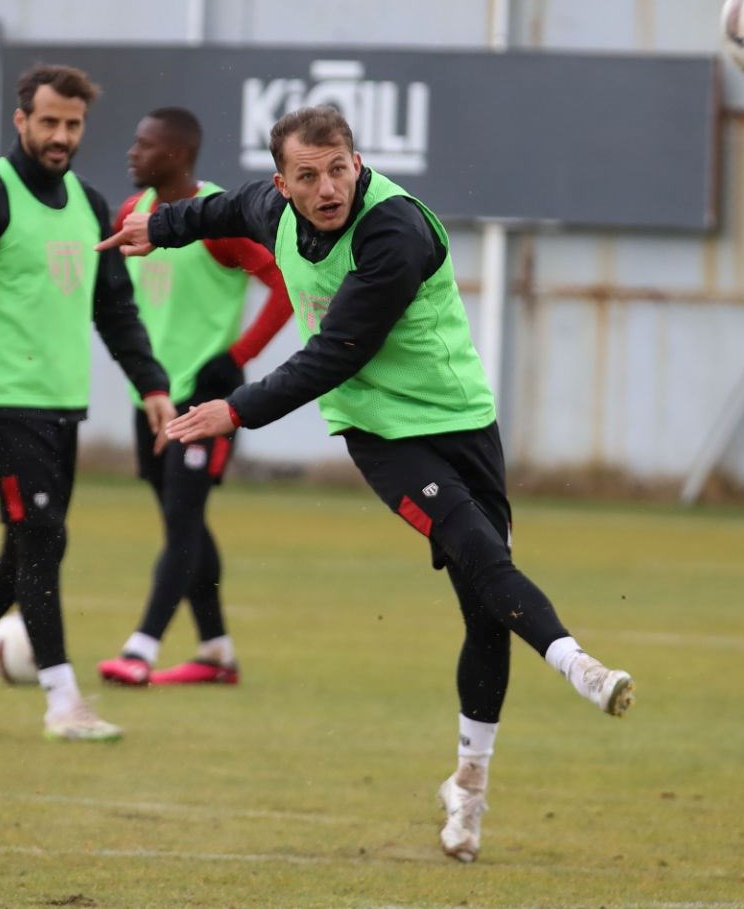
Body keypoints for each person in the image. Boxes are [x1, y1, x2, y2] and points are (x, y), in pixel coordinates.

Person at [99, 106, 636, 860]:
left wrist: (234, 408)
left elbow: (335, 351)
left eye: (338, 169)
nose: (328, 188)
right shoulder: (267, 208)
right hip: (380, 430)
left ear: (357, 162)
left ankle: (469, 784)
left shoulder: (394, 232)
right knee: (476, 546)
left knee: (487, 612)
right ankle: (578, 664)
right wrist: (158, 228)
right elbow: (216, 211)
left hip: (461, 420)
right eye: (308, 175)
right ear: (282, 184)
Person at [0, 64, 176, 744]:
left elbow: (116, 308)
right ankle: (63, 701)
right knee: (43, 541)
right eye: (49, 121)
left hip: (62, 406)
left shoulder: (89, 203)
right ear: (21, 120)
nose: (60, 135)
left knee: (29, 547)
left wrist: (152, 384)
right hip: (1, 403)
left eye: (72, 124)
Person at [95, 107, 292, 688]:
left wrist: (237, 357)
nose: (131, 152)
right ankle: (216, 652)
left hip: (206, 401)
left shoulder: (219, 219)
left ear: (176, 155)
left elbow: (284, 285)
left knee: (183, 521)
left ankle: (141, 648)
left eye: (144, 144)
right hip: (153, 397)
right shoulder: (131, 214)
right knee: (184, 524)